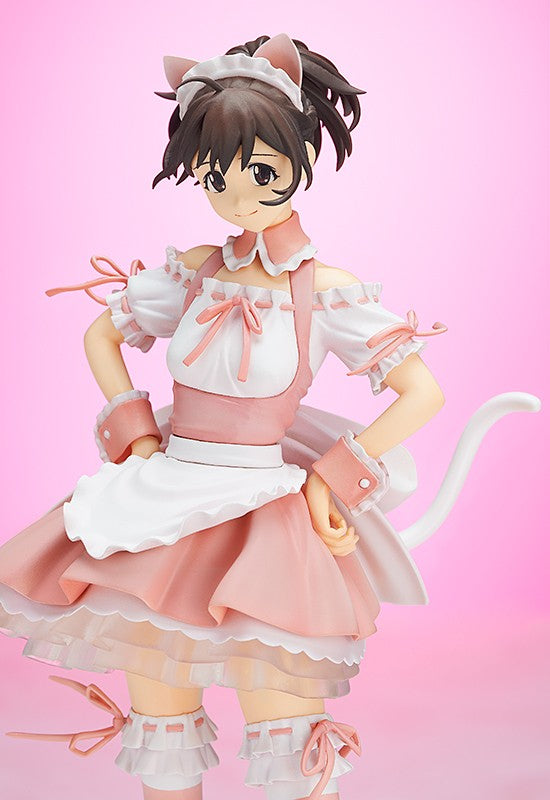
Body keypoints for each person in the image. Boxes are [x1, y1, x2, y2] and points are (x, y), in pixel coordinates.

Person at [0, 32, 488, 800]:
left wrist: (330, 481)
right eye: (214, 175)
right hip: (160, 507)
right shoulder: (193, 270)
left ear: (302, 157)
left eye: (261, 172)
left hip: (265, 515)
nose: (236, 197)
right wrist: (135, 435)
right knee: (162, 723)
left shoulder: (327, 290)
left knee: (286, 732)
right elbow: (101, 334)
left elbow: (421, 391)